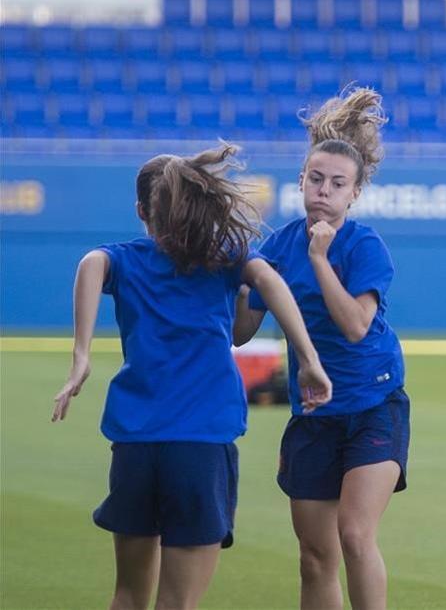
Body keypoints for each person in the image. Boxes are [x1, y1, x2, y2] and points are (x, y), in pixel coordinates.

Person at [52, 144, 332, 610]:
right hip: (201, 444)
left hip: (136, 444)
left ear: (142, 210)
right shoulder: (221, 258)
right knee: (178, 601)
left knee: (127, 594)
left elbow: (90, 263)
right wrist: (308, 358)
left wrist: (81, 354)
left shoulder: (125, 259)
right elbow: (270, 283)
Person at [233, 89, 409, 610]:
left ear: (354, 193)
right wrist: (243, 275)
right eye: (315, 179)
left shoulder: (363, 245)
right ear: (301, 181)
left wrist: (320, 259)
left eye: (337, 184)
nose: (323, 191)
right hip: (314, 413)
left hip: (375, 407)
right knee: (315, 555)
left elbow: (356, 326)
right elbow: (240, 332)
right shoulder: (278, 246)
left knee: (354, 535)